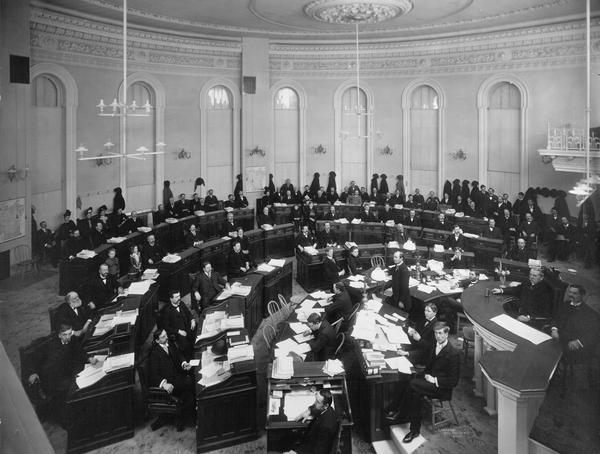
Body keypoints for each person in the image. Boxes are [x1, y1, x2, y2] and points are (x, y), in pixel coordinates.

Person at [386, 322, 460, 443]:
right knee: (413, 389)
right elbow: (424, 356)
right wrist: (407, 354)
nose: (438, 336)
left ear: (446, 334)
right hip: (428, 379)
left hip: (441, 388)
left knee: (413, 385)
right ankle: (414, 430)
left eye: (440, 333)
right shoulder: (434, 344)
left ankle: (400, 413)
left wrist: (435, 380)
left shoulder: (453, 354)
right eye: (436, 333)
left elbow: (453, 381)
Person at [38, 324, 97, 421]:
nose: (68, 337)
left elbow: (79, 352)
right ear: (59, 335)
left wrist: (88, 358)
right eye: (65, 335)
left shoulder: (71, 339)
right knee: (75, 389)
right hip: (55, 379)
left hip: (68, 372)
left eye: (70, 334)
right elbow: (51, 370)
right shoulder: (53, 347)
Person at [148, 329, 195, 431]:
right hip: (170, 382)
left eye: (166, 335)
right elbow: (153, 375)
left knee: (193, 375)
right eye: (163, 337)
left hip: (178, 375)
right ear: (157, 341)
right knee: (191, 383)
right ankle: (189, 414)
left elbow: (178, 355)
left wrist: (183, 363)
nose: (166, 338)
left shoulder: (169, 344)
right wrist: (164, 384)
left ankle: (190, 409)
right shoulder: (155, 354)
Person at [551, 285, 600, 366]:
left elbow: (593, 334)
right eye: (570, 292)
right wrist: (554, 329)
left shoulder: (590, 313)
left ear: (582, 295)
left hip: (571, 344)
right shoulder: (565, 304)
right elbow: (556, 319)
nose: (570, 295)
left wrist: (578, 342)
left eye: (574, 293)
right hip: (558, 338)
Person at [285, 389, 339, 454]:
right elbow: (317, 407)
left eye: (318, 402)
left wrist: (297, 452)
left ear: (326, 405)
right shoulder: (328, 409)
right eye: (315, 400)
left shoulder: (326, 427)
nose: (314, 403)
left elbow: (318, 451)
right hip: (307, 441)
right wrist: (309, 410)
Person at [161, 290, 196, 359]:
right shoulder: (167, 310)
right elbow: (166, 327)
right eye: (176, 297)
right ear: (171, 299)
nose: (179, 298)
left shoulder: (181, 303)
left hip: (188, 328)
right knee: (186, 347)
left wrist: (192, 320)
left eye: (179, 296)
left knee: (197, 335)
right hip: (177, 333)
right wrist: (178, 331)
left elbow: (188, 313)